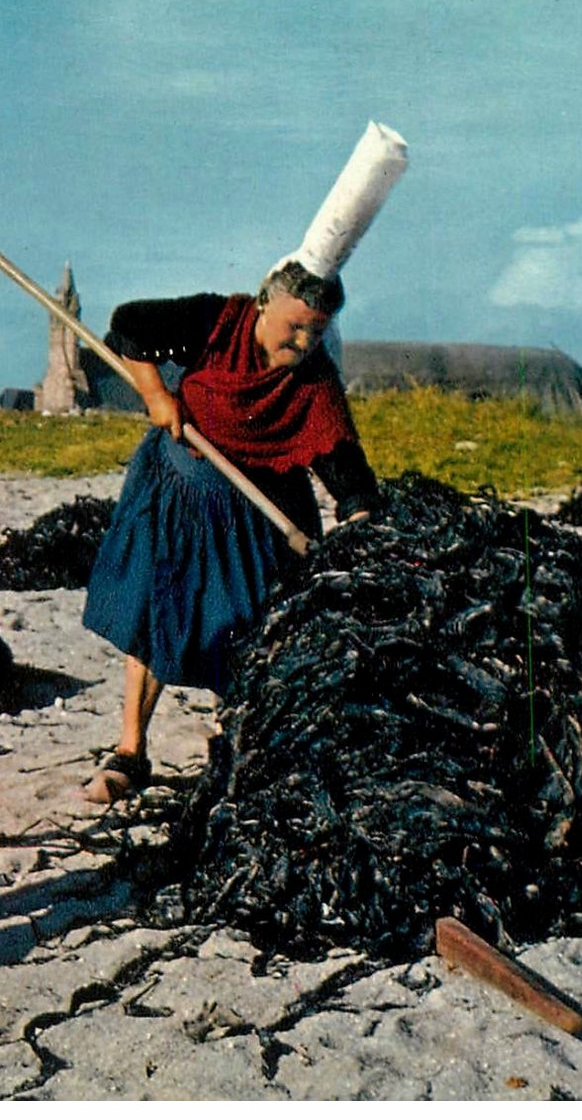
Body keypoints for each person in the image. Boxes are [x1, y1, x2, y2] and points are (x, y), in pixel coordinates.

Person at [80, 260, 380, 804]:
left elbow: (345, 469)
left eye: (317, 330)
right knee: (153, 611)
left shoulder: (314, 380)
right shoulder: (216, 319)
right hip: (177, 488)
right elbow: (128, 327)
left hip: (258, 514)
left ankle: (229, 754)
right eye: (296, 324)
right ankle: (130, 751)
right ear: (265, 303)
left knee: (247, 629)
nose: (305, 338)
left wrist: (361, 518)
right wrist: (155, 395)